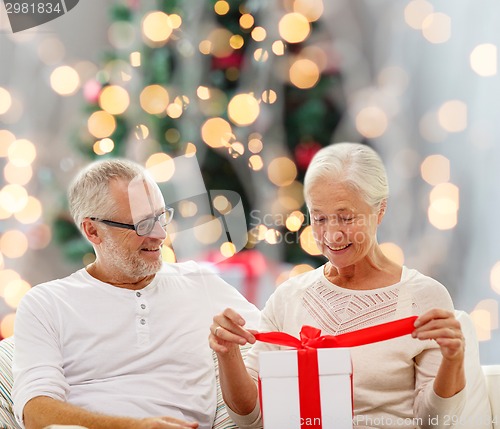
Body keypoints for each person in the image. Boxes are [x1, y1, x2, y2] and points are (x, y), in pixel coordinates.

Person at [209, 143, 467, 429]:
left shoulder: (424, 297)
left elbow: (434, 422)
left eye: (346, 218)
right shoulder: (288, 297)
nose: (331, 234)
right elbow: (251, 420)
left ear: (380, 210)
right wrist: (227, 354)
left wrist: (453, 360)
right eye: (319, 218)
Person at [12, 159, 260, 429]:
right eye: (142, 224)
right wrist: (134, 427)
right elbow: (35, 412)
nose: (161, 234)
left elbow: (280, 343)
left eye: (161, 217)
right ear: (93, 230)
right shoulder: (47, 303)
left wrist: (230, 352)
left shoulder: (200, 284)